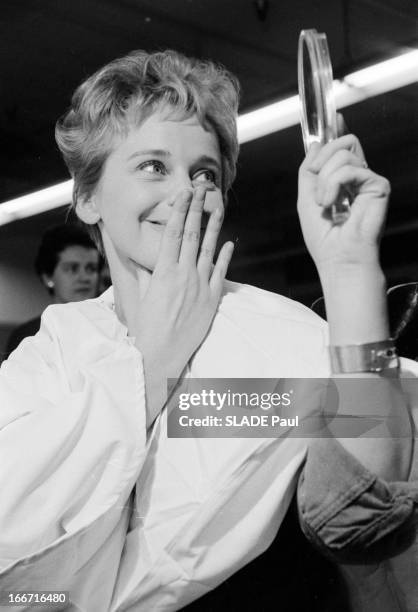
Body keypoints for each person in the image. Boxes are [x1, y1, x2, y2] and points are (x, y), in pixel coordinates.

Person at [0, 49, 414, 611]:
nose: (185, 193)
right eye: (153, 166)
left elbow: (361, 511)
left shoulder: (265, 333)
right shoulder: (50, 352)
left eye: (205, 173)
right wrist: (150, 363)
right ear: (88, 198)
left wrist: (349, 272)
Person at [5, 223, 100, 355]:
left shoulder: (110, 326)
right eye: (72, 268)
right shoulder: (29, 335)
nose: (84, 277)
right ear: (48, 277)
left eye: (91, 268)